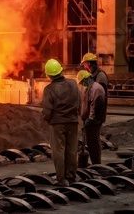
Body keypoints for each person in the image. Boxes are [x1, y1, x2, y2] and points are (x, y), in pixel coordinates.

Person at [41, 58, 81, 186]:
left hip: (58, 123)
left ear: (48, 75)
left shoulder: (49, 89)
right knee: (72, 150)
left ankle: (61, 179)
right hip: (73, 121)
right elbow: (79, 101)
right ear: (61, 71)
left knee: (58, 150)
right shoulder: (73, 83)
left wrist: (47, 119)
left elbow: (47, 111)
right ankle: (71, 177)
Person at [77, 70, 106, 165]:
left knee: (93, 142)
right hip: (90, 120)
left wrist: (91, 118)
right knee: (90, 142)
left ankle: (96, 163)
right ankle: (95, 162)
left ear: (87, 79)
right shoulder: (90, 88)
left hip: (95, 121)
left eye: (82, 82)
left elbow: (96, 104)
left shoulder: (96, 88)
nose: (82, 84)